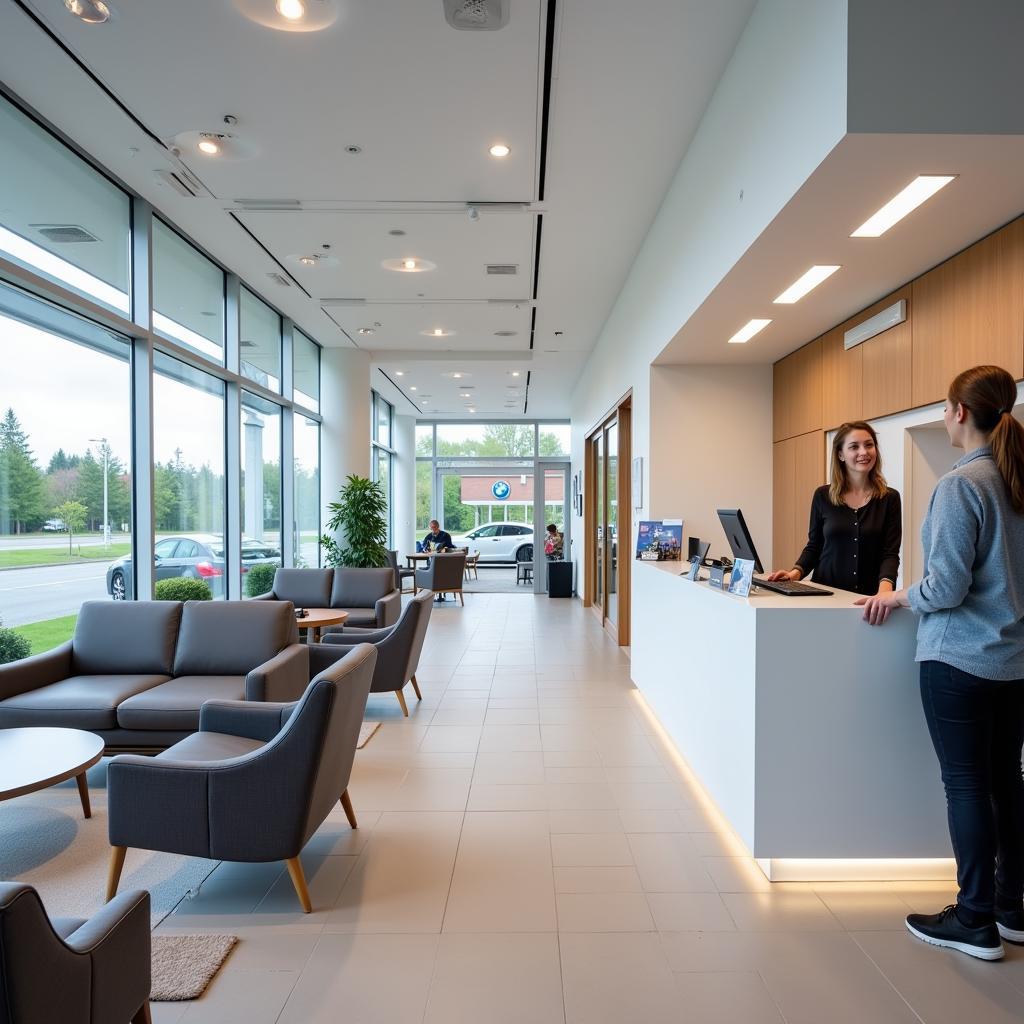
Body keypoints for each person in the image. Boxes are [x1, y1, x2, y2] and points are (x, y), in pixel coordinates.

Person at [858, 365, 1024, 961]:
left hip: (959, 661)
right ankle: (1011, 908)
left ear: (957, 412)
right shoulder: (1015, 480)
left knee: (968, 786)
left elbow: (946, 587)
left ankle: (975, 919)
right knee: (1008, 781)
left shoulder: (963, 485)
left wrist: (898, 595)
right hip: (1013, 663)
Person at [766, 420, 901, 595]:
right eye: (854, 447)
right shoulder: (822, 496)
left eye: (869, 445)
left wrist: (885, 592)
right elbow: (814, 546)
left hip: (869, 600)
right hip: (825, 595)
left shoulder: (890, 498)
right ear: (840, 455)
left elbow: (890, 553)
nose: (864, 452)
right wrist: (794, 574)